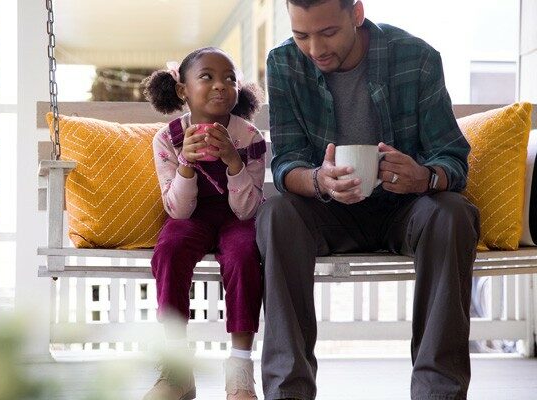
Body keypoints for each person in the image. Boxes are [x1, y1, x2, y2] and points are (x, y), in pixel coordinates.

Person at [255, 1, 480, 399]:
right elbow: (287, 161)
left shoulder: (417, 58)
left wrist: (424, 176)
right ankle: (287, 393)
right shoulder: (284, 64)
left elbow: (452, 158)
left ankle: (438, 392)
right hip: (327, 211)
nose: (314, 49)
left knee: (453, 214)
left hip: (404, 208)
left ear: (355, 14)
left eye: (327, 33)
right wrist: (319, 180)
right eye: (301, 35)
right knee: (276, 215)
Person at [143, 47, 266, 400]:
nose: (220, 86)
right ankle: (177, 370)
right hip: (191, 215)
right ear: (182, 90)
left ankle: (240, 370)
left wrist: (232, 161)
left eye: (229, 79)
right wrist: (185, 164)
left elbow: (247, 211)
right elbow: (178, 212)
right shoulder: (168, 138)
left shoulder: (249, 138)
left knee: (244, 254)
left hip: (235, 216)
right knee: (169, 249)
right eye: (207, 77)